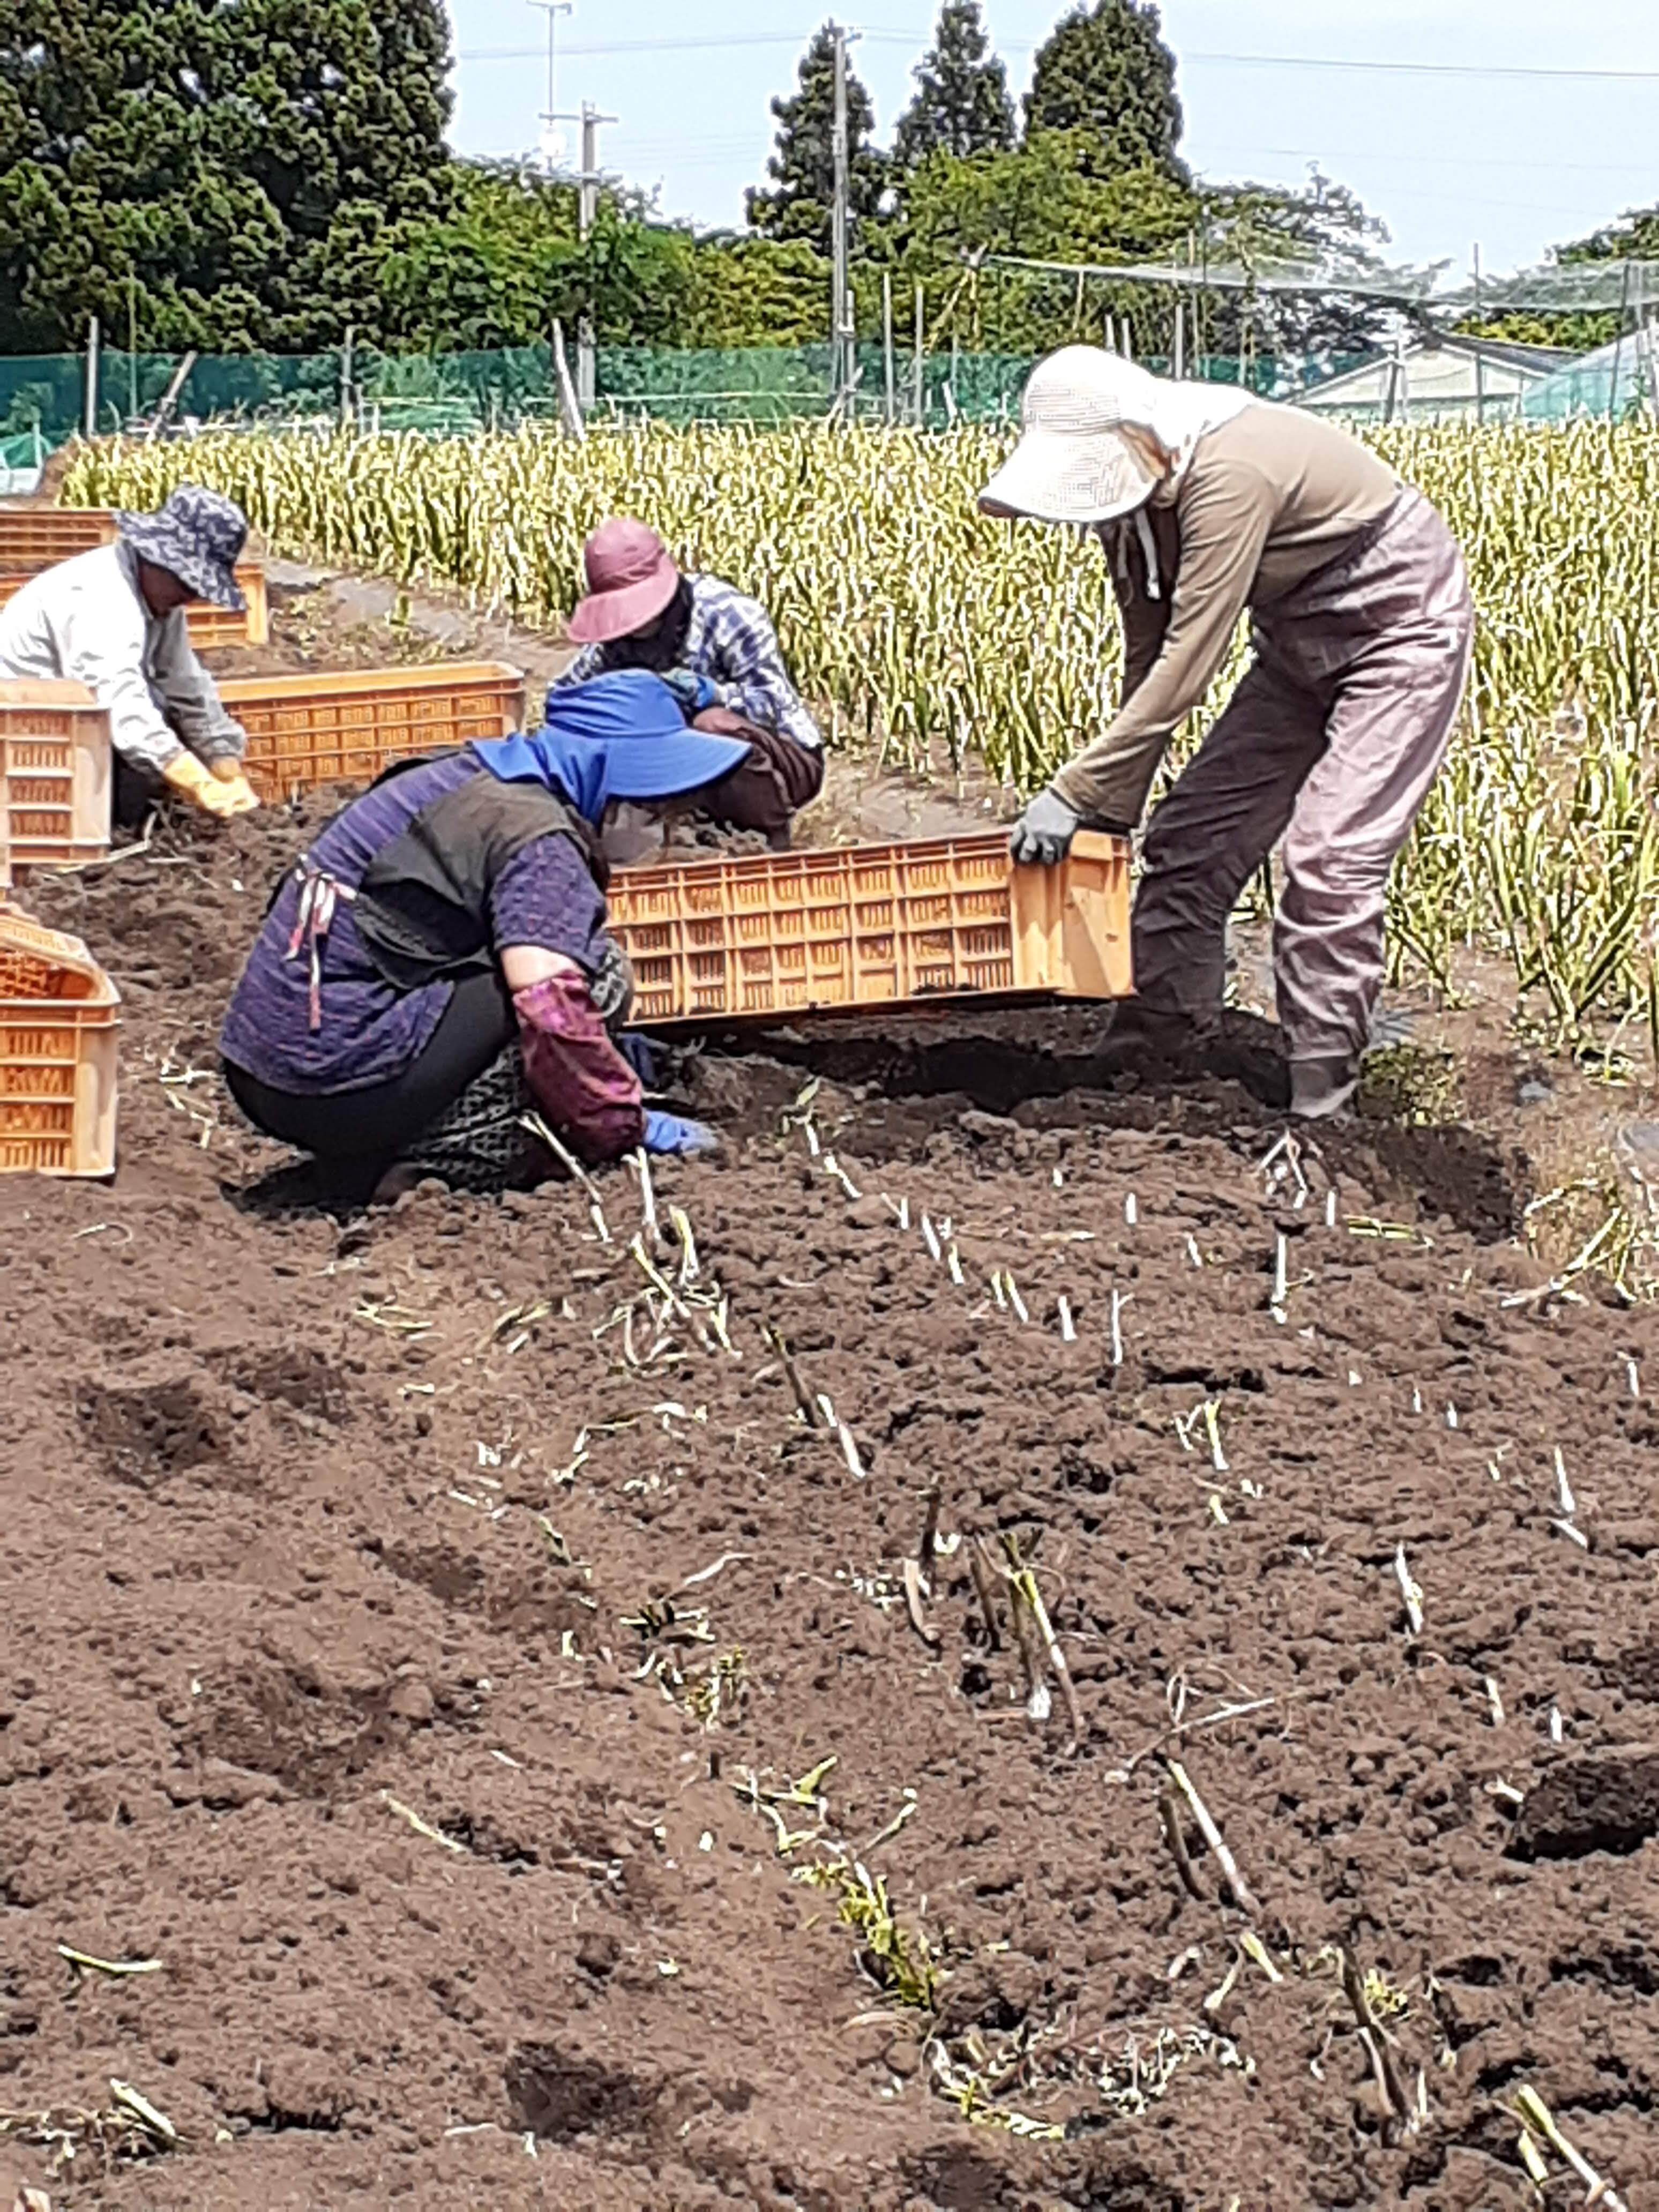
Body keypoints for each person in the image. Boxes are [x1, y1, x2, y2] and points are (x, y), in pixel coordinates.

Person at [980, 346, 1474, 1120]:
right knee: (1189, 840)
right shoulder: (1135, 509)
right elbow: (1146, 652)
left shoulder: (1227, 473)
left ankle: (1323, 1096)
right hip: (1293, 649)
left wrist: (1072, 791)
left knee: (1329, 861)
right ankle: (1156, 1042)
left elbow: (1193, 655)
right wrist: (1112, 807)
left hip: (1399, 632)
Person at [220, 671, 737, 1198]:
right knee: (597, 976)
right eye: (651, 809)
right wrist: (620, 1124)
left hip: (259, 1062)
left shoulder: (461, 773)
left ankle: (378, 1145)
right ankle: (437, 1162)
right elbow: (550, 1004)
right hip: (328, 1083)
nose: (660, 829)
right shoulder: (538, 837)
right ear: (611, 779)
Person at [550, 517, 824, 847]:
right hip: (678, 762)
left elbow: (775, 703)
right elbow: (567, 694)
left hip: (780, 757)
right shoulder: (613, 643)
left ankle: (772, 838)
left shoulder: (729, 614)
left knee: (711, 725)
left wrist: (713, 693)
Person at [0, 484, 261, 825]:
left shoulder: (160, 600)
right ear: (157, 559)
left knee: (162, 714)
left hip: (71, 729)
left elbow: (187, 686)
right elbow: (119, 703)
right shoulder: (102, 597)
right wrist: (197, 782)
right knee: (140, 736)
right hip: (27, 740)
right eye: (187, 584)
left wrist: (225, 766)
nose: (191, 597)